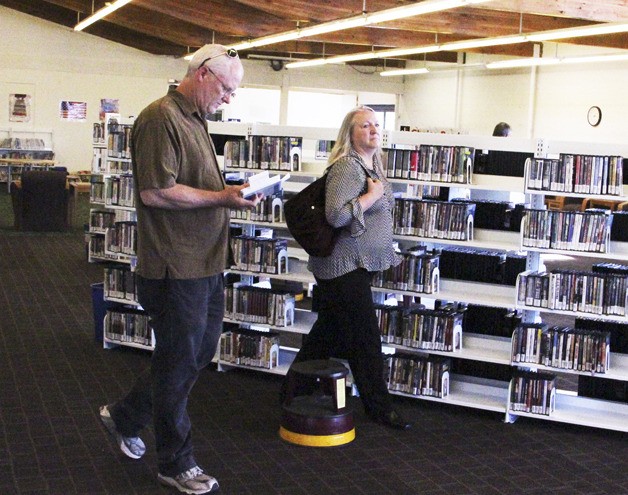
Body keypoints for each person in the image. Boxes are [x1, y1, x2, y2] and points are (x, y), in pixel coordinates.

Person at [99, 44, 262, 495]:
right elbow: (156, 192)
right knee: (176, 365)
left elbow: (193, 185)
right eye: (227, 88)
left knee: (195, 354)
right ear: (203, 74)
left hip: (205, 262)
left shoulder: (195, 119)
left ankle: (125, 415)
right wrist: (223, 199)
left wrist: (233, 191)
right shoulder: (160, 117)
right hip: (175, 265)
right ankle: (176, 462)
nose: (229, 99)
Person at [282, 106, 411, 430]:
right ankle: (380, 408)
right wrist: (370, 197)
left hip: (358, 265)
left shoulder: (373, 165)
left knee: (326, 335)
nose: (372, 130)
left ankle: (289, 393)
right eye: (364, 125)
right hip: (343, 265)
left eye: (376, 125)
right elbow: (336, 216)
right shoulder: (346, 168)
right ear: (349, 134)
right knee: (366, 339)